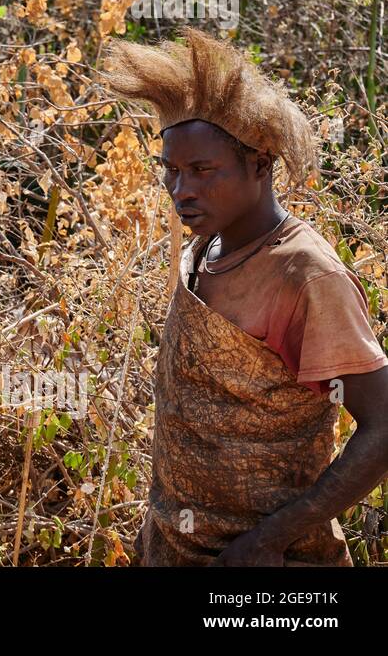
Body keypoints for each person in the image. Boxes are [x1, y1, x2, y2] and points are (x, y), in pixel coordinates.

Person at [105, 28, 388, 566]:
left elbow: (385, 423)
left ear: (259, 165)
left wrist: (269, 539)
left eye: (202, 171)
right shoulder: (206, 248)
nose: (180, 190)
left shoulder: (304, 275)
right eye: (172, 171)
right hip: (174, 549)